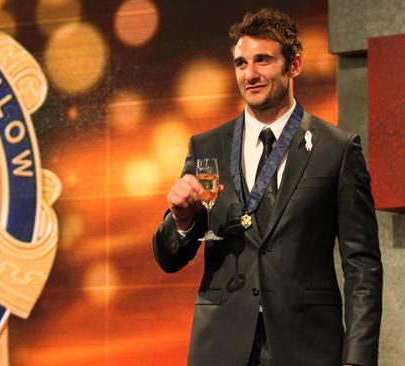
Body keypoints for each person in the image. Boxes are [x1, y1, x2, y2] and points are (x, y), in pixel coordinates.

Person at [152, 8, 382, 366]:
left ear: (295, 66)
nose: (250, 74)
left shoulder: (336, 149)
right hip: (220, 346)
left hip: (307, 345)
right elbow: (169, 258)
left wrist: (358, 358)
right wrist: (181, 221)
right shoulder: (207, 146)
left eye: (263, 60)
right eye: (241, 63)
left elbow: (362, 265)